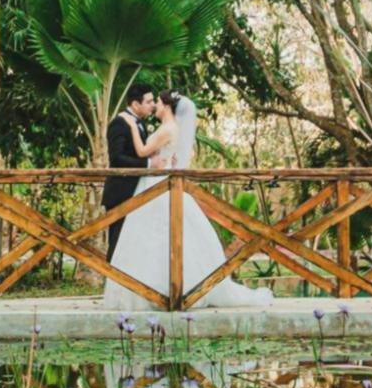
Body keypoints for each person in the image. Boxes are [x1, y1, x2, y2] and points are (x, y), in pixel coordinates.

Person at [104, 90, 274, 310]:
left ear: (166, 106)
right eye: (151, 101)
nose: (154, 105)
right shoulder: (169, 128)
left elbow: (142, 150)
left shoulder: (167, 129)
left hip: (158, 185)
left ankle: (166, 291)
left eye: (156, 102)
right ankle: (157, 290)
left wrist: (128, 123)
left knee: (157, 236)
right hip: (156, 184)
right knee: (153, 238)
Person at [103, 83, 156, 260]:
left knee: (135, 244)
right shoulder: (119, 123)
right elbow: (117, 158)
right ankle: (113, 285)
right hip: (121, 192)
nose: (153, 105)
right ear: (135, 104)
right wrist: (149, 163)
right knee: (118, 243)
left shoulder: (140, 123)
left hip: (139, 192)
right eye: (149, 101)